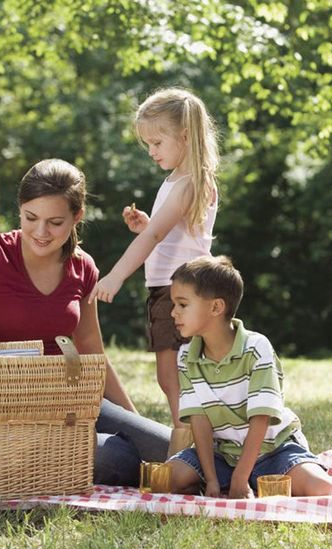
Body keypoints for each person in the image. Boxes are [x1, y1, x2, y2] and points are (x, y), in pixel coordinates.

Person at [0, 158, 170, 486]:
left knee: (167, 447)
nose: (40, 232)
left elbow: (93, 352)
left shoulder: (83, 267)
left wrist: (133, 423)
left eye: (55, 222)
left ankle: (246, 475)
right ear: (20, 209)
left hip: (69, 399)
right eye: (30, 218)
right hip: (5, 406)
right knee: (112, 458)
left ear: (77, 217)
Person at [90, 88, 219, 454]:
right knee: (174, 376)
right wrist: (147, 224)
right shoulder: (178, 180)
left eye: (157, 141)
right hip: (174, 290)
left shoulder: (190, 181)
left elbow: (157, 235)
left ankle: (188, 451)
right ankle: (189, 447)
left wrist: (115, 275)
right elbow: (172, 233)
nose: (152, 151)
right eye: (147, 143)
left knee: (176, 377)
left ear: (184, 136)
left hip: (181, 293)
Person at [165, 256, 332, 499]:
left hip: (274, 451)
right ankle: (242, 484)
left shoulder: (256, 348)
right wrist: (212, 479)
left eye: (182, 304)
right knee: (166, 478)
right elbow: (199, 421)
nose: (173, 313)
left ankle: (252, 481)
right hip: (222, 455)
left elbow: (261, 417)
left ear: (216, 307)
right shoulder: (186, 356)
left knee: (323, 490)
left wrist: (240, 477)